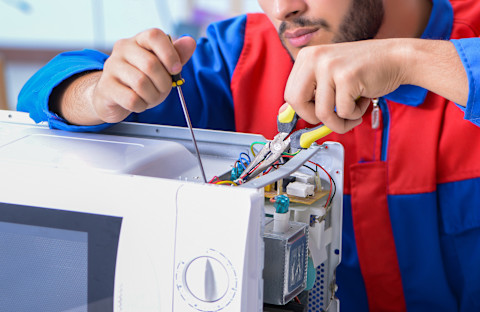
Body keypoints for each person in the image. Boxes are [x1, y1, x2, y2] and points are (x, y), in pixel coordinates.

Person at [17, 0, 480, 311]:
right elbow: (45, 95)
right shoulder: (235, 57)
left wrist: (411, 61)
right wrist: (97, 92)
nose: (283, 9)